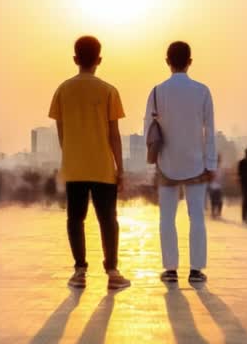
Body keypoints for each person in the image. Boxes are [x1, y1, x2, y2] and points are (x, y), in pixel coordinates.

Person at [48, 35, 132, 289]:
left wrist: (71, 156)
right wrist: (120, 168)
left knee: (75, 218)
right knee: (108, 219)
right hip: (102, 167)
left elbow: (62, 132)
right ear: (99, 59)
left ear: (75, 59)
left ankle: (80, 271)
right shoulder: (108, 90)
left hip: (74, 168)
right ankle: (113, 272)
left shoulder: (63, 90)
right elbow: (114, 135)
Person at [144, 41, 216, 284]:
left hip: (167, 163)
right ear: (190, 61)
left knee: (167, 218)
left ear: (167, 61)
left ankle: (171, 269)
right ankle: (196, 270)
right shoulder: (203, 91)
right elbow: (210, 131)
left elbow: (148, 130)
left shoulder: (156, 92)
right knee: (197, 216)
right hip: (197, 163)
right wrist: (211, 164)